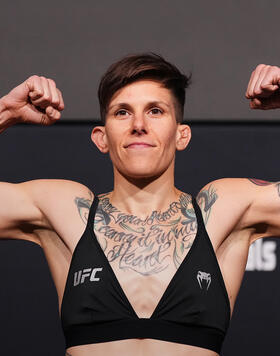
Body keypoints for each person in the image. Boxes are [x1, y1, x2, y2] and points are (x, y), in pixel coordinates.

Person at [0, 54, 279, 356]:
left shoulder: (223, 210)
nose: (138, 125)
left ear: (181, 135)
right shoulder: (65, 210)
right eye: (122, 112)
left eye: (155, 111)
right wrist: (4, 111)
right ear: (101, 137)